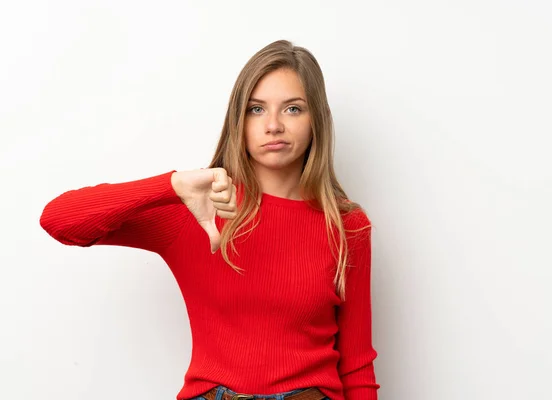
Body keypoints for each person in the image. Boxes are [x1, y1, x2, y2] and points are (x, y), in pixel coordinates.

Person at [40, 39, 379, 400]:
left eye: (293, 109)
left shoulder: (347, 225)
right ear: (238, 120)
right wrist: (171, 185)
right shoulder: (197, 207)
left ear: (317, 121)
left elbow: (357, 365)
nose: (274, 125)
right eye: (256, 109)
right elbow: (60, 220)